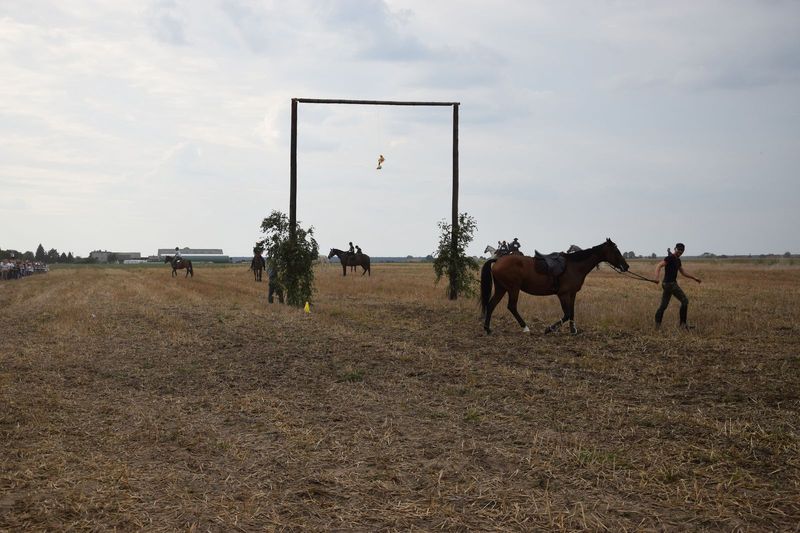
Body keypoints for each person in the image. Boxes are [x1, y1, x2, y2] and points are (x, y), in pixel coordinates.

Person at [654, 242, 701, 329]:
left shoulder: (677, 260)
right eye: (678, 251)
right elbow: (659, 266)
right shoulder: (670, 258)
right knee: (685, 301)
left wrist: (694, 278)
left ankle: (657, 325)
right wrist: (656, 278)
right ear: (675, 249)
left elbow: (683, 272)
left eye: (681, 252)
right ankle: (683, 325)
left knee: (663, 305)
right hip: (670, 284)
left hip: (668, 284)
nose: (680, 253)